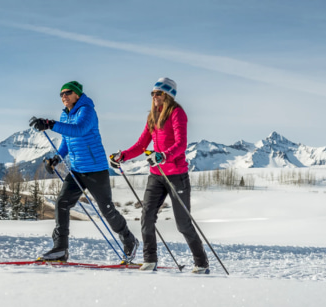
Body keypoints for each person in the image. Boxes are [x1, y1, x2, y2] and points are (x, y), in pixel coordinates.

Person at [29, 81, 138, 262]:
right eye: (61, 94)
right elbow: (67, 140)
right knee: (62, 203)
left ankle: (129, 239)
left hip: (96, 170)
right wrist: (56, 158)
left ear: (77, 94)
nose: (64, 96)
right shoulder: (65, 115)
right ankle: (60, 248)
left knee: (107, 210)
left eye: (68, 93)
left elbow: (79, 130)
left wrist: (50, 124)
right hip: (77, 170)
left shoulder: (87, 110)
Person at [110, 77, 209, 274]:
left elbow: (181, 144)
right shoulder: (152, 116)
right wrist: (123, 156)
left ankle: (201, 262)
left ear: (168, 95)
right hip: (156, 174)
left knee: (183, 224)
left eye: (159, 93)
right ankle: (150, 259)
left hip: (176, 174)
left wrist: (164, 155)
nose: (154, 97)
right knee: (146, 217)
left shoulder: (177, 113)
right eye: (153, 93)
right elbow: (141, 145)